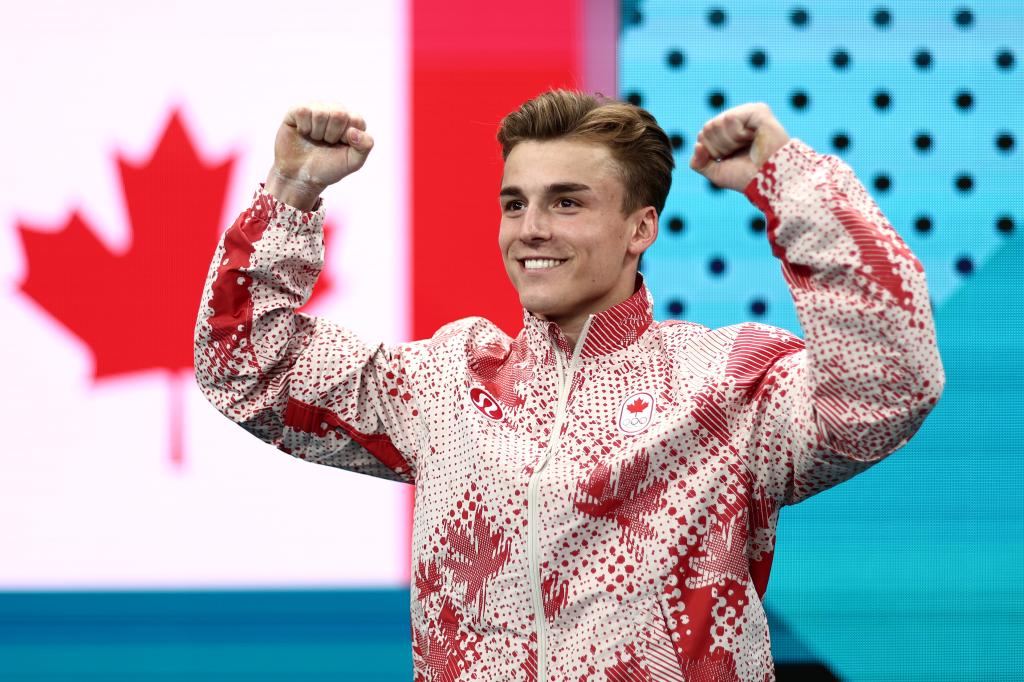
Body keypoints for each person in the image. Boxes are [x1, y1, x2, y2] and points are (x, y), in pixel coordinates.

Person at [193, 90, 944, 681]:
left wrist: (793, 185)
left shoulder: (732, 383)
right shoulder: (446, 383)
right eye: (515, 203)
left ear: (640, 229)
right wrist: (290, 190)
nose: (531, 229)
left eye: (567, 202)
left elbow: (889, 387)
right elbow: (249, 370)